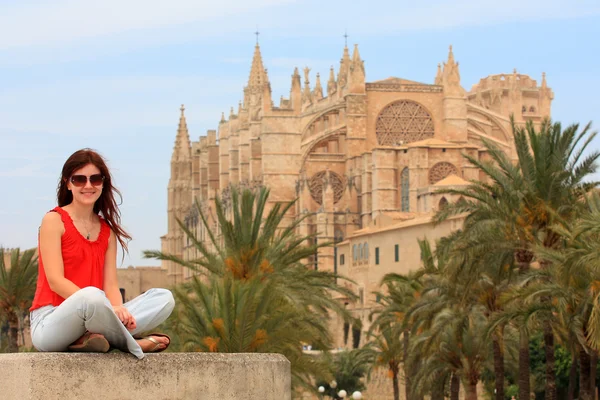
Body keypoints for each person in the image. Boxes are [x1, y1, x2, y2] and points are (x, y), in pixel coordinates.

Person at [29, 149, 175, 359]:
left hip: (98, 316)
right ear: (68, 183)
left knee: (164, 298)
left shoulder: (107, 232)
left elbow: (111, 286)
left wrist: (116, 308)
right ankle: (130, 344)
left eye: (95, 179)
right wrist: (105, 307)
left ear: (103, 183)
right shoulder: (54, 220)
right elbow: (55, 281)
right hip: (50, 322)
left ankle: (93, 337)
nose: (88, 186)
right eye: (79, 179)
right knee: (93, 296)